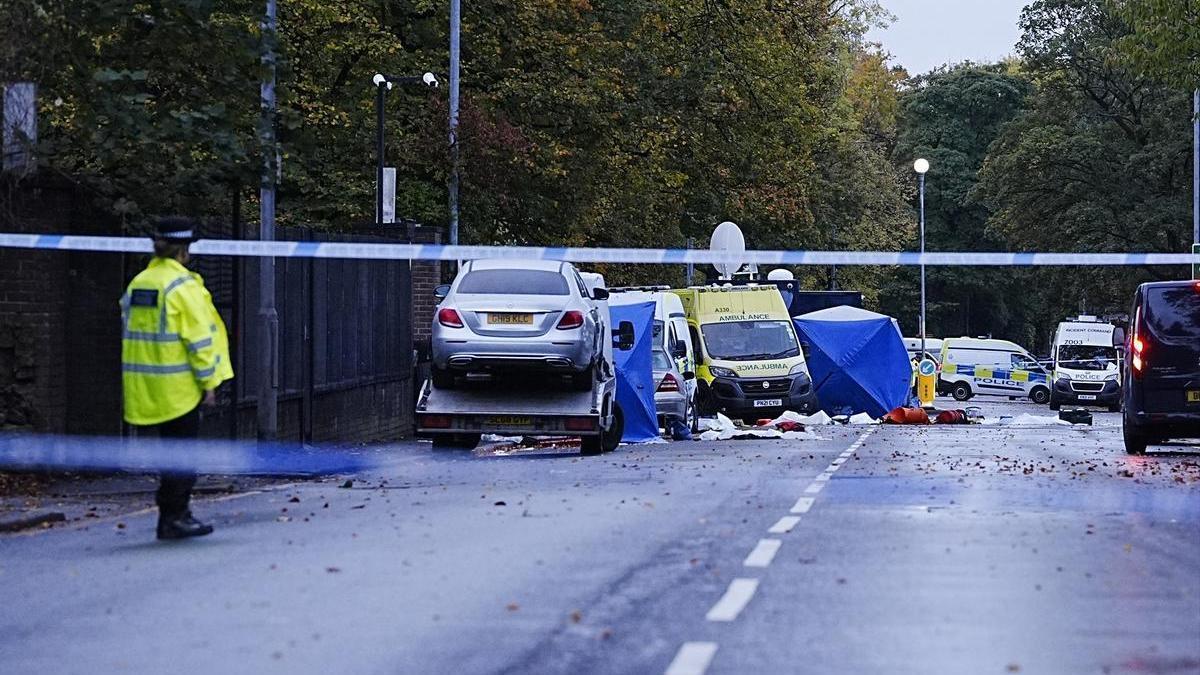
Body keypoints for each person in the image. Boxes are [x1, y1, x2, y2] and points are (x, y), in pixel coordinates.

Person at [120, 217, 233, 539]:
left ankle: (168, 516)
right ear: (184, 250)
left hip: (145, 384)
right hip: (180, 385)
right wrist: (209, 380)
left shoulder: (140, 283)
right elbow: (198, 339)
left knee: (169, 453)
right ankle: (176, 515)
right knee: (183, 454)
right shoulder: (182, 287)